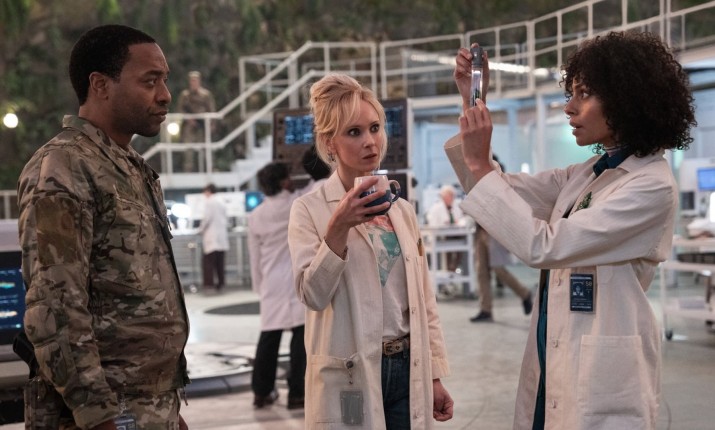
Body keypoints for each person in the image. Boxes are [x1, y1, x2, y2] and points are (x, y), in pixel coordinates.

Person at [445, 32, 696, 429]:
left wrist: (479, 164)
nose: (569, 107)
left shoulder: (651, 186)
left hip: (601, 378)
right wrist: (472, 102)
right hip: (556, 355)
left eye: (584, 94)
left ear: (625, 100)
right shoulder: (588, 173)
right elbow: (499, 189)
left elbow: (544, 247)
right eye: (571, 93)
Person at [16, 25, 190, 429]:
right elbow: (55, 307)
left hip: (147, 407)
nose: (165, 95)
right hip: (100, 414)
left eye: (164, 80)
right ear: (100, 85)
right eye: (150, 81)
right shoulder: (63, 168)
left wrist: (168, 409)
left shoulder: (129, 167)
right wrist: (97, 415)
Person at [288, 73, 453, 429]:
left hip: (408, 366)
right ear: (329, 143)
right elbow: (312, 295)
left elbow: (423, 299)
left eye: (375, 128)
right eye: (354, 132)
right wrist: (339, 227)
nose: (370, 141)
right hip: (352, 368)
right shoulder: (309, 210)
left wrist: (435, 373)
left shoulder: (402, 210)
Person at [247, 162, 307, 410]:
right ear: (283, 182)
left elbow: (254, 257)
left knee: (269, 339)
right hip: (295, 278)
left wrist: (259, 287)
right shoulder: (297, 203)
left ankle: (261, 393)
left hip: (270, 281)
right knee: (301, 339)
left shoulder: (256, 215)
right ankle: (297, 394)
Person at [471, 156, 533, 323]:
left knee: (498, 269)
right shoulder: (477, 180)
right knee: (481, 272)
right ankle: (486, 309)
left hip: (495, 231)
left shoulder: (501, 180)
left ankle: (524, 293)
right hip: (481, 230)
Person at [177, 70, 215, 172]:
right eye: (192, 80)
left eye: (195, 80)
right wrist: (188, 119)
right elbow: (180, 110)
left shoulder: (205, 95)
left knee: (205, 146)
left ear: (199, 81)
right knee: (188, 147)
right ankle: (188, 169)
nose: (193, 83)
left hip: (203, 124)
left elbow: (211, 109)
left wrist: (211, 124)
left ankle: (209, 168)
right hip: (189, 125)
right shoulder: (185, 95)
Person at [425, 184, 466, 273]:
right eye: (449, 196)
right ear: (443, 197)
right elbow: (433, 224)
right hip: (440, 237)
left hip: (455, 235)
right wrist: (444, 224)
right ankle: (448, 270)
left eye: (452, 196)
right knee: (447, 250)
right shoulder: (435, 208)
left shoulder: (457, 207)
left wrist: (457, 223)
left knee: (463, 244)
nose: (451, 198)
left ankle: (453, 268)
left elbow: (462, 220)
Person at [198, 183, 229, 293]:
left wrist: (200, 229)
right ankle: (221, 284)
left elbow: (207, 218)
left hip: (212, 236)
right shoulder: (221, 201)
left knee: (209, 263)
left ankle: (209, 285)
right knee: (220, 263)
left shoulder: (209, 202)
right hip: (221, 237)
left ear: (208, 191)